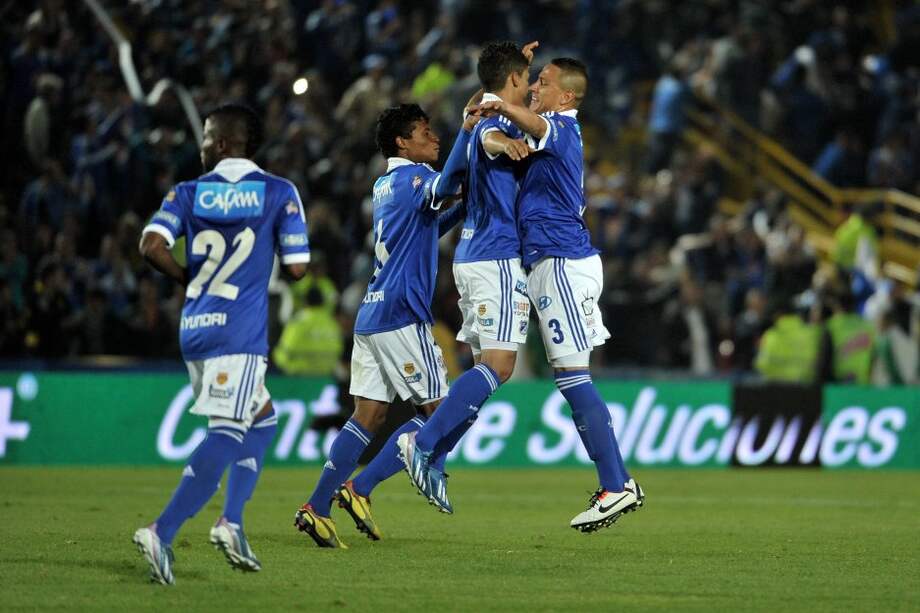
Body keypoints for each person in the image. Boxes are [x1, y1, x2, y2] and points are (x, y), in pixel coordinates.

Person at [404, 57, 644, 532]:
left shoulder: (561, 128)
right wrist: (490, 97)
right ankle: (615, 484)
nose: (536, 87)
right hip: (544, 264)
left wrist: (499, 101)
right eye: (533, 79)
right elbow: (490, 127)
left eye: (545, 83)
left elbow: (523, 120)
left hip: (562, 264)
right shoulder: (542, 130)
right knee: (563, 375)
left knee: (572, 377)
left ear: (568, 97)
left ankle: (617, 485)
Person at [133, 103, 310, 584]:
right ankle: (162, 530)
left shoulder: (188, 192)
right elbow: (296, 267)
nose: (202, 144)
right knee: (228, 430)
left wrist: (187, 276)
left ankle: (231, 521)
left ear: (227, 144)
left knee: (262, 417)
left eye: (208, 137)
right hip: (239, 332)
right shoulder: (278, 192)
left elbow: (151, 246)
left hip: (195, 327)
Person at [292, 103, 476, 548]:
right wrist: (467, 131)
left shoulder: (385, 185)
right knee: (447, 416)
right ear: (402, 142)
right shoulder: (414, 179)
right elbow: (446, 183)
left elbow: (428, 227)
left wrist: (466, 208)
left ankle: (316, 507)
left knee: (368, 416)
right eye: (425, 132)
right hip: (403, 315)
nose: (434, 138)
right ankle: (361, 487)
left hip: (372, 314)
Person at [385, 40, 536, 515]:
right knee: (499, 367)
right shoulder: (494, 124)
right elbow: (487, 138)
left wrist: (502, 84)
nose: (531, 88)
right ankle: (425, 445)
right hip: (494, 257)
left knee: (485, 373)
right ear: (512, 80)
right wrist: (505, 142)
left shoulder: (487, 108)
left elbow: (483, 110)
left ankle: (418, 459)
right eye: (526, 80)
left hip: (476, 256)